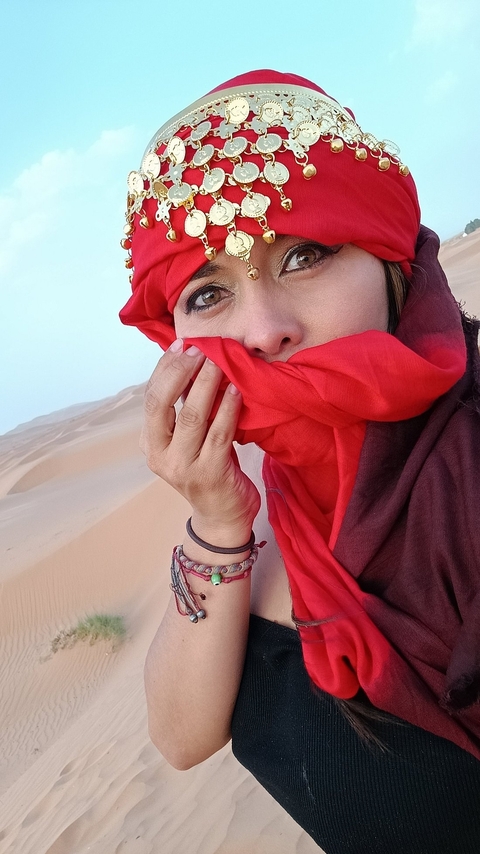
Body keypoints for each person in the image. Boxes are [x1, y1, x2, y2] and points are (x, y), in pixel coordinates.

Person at [119, 70, 480, 853]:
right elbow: (181, 738)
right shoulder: (251, 525)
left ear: (390, 261)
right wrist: (218, 521)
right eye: (209, 295)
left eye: (306, 254)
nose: (264, 330)